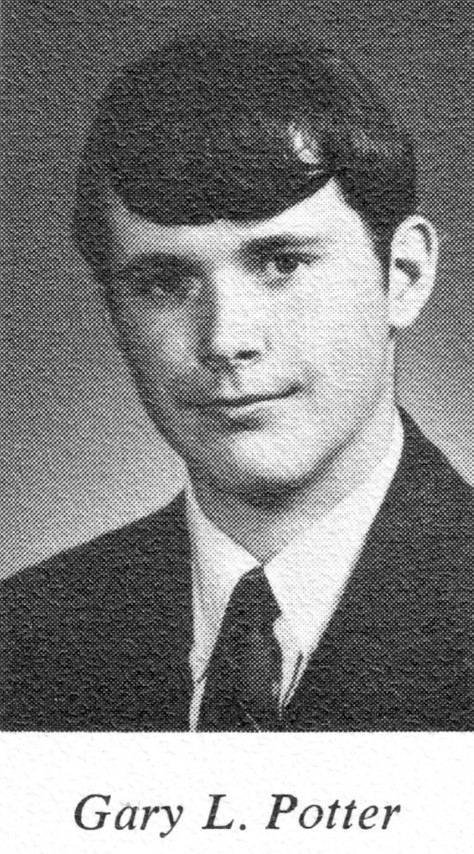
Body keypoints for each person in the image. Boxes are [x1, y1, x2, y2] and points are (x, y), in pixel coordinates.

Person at [1, 36, 472, 732]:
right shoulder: (23, 640)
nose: (225, 340)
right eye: (164, 283)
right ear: (114, 313)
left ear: (402, 276)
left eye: (282, 263)